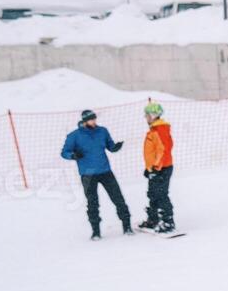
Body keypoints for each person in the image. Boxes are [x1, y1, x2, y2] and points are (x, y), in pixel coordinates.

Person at [60, 109, 133, 241]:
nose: (94, 121)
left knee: (118, 198)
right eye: (91, 119)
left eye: (94, 119)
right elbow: (64, 152)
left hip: (105, 171)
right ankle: (96, 231)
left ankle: (127, 226)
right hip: (87, 174)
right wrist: (73, 155)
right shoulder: (74, 136)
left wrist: (115, 147)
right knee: (92, 203)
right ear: (84, 121)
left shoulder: (102, 131)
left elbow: (109, 145)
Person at [139, 102, 176, 233]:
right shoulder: (154, 130)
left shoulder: (160, 130)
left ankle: (168, 222)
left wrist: (155, 168)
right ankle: (153, 219)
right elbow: (153, 152)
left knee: (161, 194)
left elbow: (163, 150)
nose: (146, 118)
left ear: (153, 115)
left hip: (162, 168)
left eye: (147, 115)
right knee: (152, 194)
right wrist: (149, 168)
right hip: (155, 168)